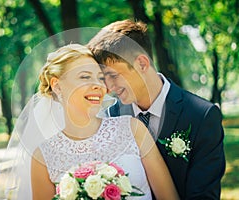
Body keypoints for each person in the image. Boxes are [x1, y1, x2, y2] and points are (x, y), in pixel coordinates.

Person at [0, 44, 179, 200]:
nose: (98, 85)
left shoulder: (132, 129)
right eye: (84, 77)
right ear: (57, 85)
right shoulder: (43, 157)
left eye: (100, 78)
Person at [87, 19, 226, 199]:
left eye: (113, 76)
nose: (109, 88)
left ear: (142, 64)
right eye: (103, 79)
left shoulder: (202, 116)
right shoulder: (110, 118)